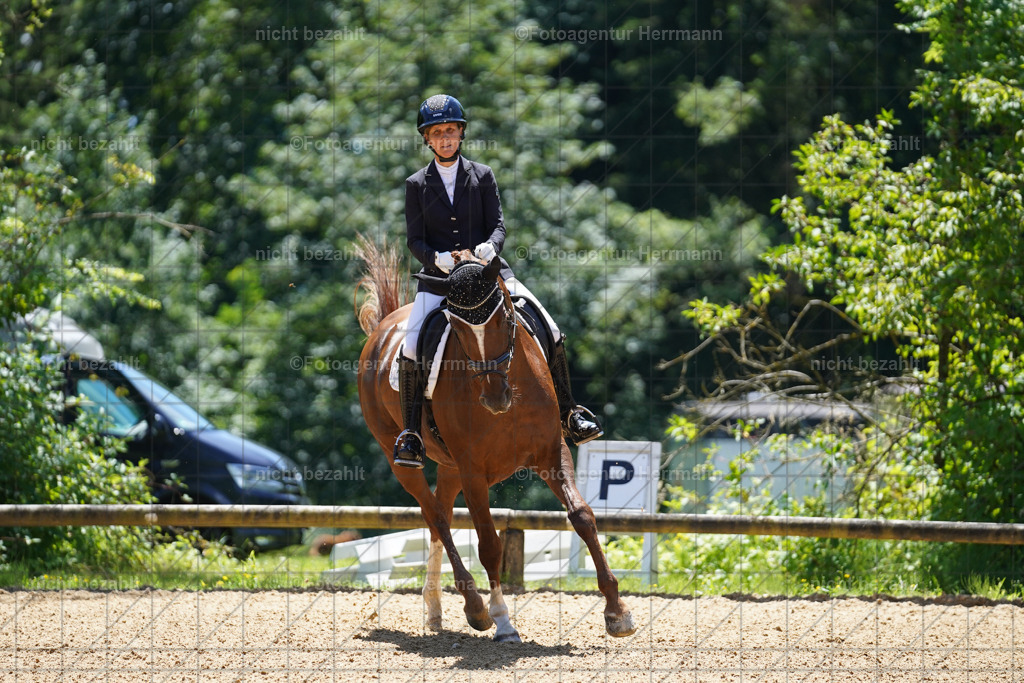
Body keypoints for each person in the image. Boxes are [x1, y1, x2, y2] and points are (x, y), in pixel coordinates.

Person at [394, 93, 602, 469]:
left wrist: (491, 246)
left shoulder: (483, 175)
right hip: (440, 279)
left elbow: (498, 225)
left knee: (551, 327)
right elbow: (415, 240)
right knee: (411, 346)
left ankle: (570, 413)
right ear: (427, 138)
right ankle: (411, 434)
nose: (445, 138)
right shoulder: (416, 184)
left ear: (461, 133)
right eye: (437, 132)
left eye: (451, 130)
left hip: (489, 273)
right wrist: (437, 258)